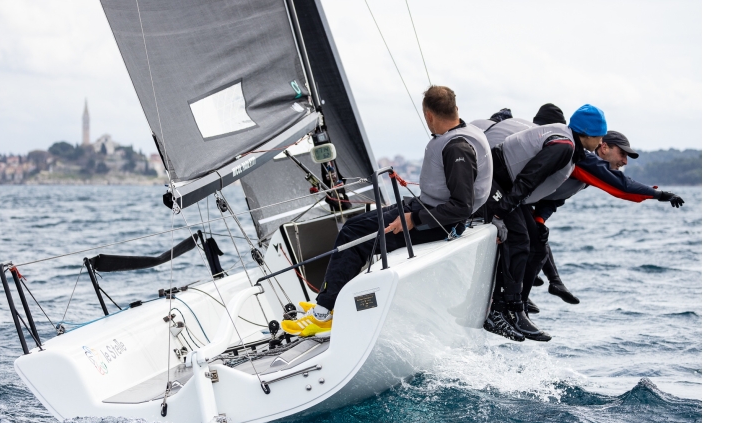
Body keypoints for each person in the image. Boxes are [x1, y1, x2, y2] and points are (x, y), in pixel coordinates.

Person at [281, 85, 493, 337]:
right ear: (455, 109)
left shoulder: (456, 148)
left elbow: (462, 206)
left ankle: (323, 313)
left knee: (353, 235)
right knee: (357, 227)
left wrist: (413, 219)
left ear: (428, 115)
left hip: (435, 223)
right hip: (427, 211)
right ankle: (330, 300)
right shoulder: (467, 133)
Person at [482, 104, 608, 342]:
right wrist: (501, 211)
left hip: (506, 184)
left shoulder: (572, 146)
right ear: (588, 134)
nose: (601, 141)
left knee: (533, 240)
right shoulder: (564, 146)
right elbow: (530, 178)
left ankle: (513, 308)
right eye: (600, 135)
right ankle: (500, 311)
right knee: (519, 238)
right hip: (494, 179)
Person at [526, 129, 685, 308]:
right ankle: (519, 298)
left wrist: (540, 219)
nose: (624, 161)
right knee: (532, 242)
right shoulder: (585, 158)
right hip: (513, 200)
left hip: (524, 204)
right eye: (622, 154)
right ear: (604, 147)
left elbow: (554, 197)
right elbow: (622, 185)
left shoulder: (588, 174)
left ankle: (538, 287)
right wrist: (660, 194)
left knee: (538, 235)